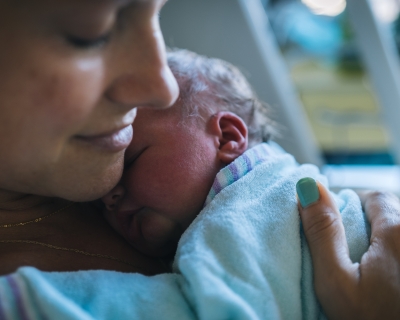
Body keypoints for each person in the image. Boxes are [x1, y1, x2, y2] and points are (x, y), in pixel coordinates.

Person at [0, 0, 399, 319]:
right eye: (91, 34)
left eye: (156, 17)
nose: (158, 86)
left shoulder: (259, 198)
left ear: (228, 137)